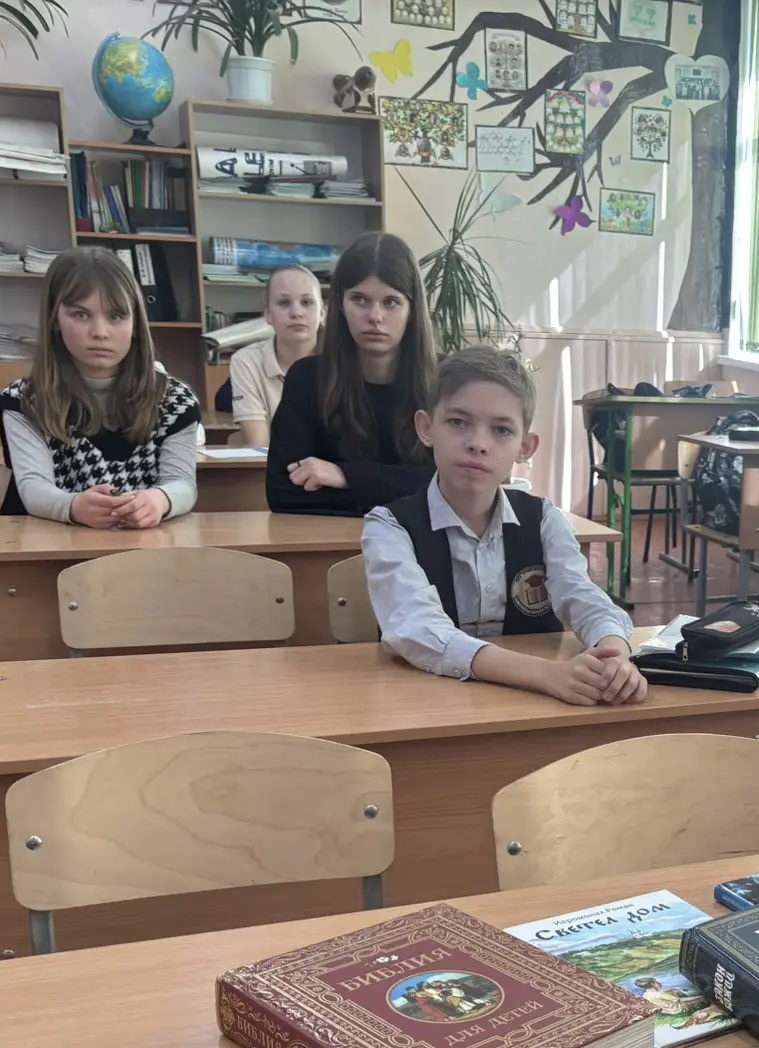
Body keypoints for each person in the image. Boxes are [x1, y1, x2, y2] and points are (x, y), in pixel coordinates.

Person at [361, 345, 645, 707]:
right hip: (427, 706)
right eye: (458, 422)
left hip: (535, 709)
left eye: (501, 430)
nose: (478, 444)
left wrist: (615, 655)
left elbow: (584, 596)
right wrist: (545, 674)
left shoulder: (544, 519)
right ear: (426, 428)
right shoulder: (388, 526)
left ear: (525, 448)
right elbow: (416, 628)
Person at [0, 247, 200, 528]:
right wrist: (73, 506)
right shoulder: (23, 400)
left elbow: (183, 484)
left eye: (116, 316)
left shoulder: (176, 400)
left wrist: (160, 500)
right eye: (81, 315)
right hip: (48, 545)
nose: (100, 332)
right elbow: (34, 488)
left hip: (143, 546)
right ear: (55, 320)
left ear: (136, 323)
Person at [267, 232, 439, 517]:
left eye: (391, 302)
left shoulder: (446, 381)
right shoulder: (307, 378)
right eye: (360, 299)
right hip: (330, 540)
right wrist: (401, 486)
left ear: (412, 309)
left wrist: (345, 476)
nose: (375, 316)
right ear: (340, 304)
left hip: (422, 538)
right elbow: (283, 492)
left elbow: (457, 486)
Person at [230, 264, 324, 449]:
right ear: (268, 314)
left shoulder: (345, 359)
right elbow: (259, 444)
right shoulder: (246, 361)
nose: (296, 313)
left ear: (322, 313)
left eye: (307, 302)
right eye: (284, 303)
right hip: (274, 465)